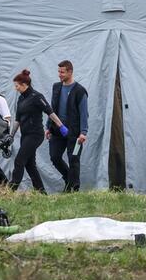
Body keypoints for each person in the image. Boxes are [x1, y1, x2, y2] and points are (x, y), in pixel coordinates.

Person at [10, 69, 68, 193]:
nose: (16, 89)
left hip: (35, 135)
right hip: (25, 135)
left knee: (19, 160)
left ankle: (11, 189)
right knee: (29, 164)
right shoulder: (21, 99)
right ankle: (41, 192)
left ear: (24, 85)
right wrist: (11, 135)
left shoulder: (37, 97)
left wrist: (61, 126)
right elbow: (17, 120)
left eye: (17, 86)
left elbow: (50, 112)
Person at [47, 60, 88, 192]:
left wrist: (83, 132)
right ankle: (68, 178)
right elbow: (51, 108)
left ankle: (74, 189)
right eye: (58, 72)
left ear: (70, 72)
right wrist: (48, 126)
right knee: (54, 157)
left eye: (62, 72)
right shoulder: (56, 87)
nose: (59, 74)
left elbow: (84, 113)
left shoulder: (80, 91)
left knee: (74, 159)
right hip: (57, 131)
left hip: (74, 133)